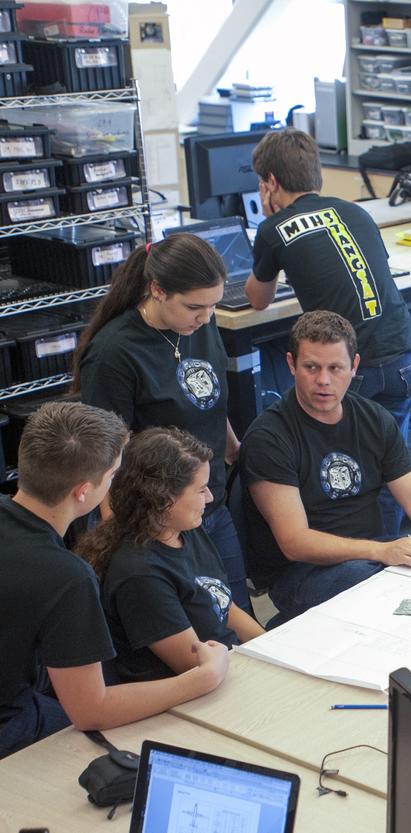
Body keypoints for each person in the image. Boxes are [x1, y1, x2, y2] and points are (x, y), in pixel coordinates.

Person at [0, 403, 228, 759]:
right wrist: (202, 678)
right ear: (83, 491)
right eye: (112, 476)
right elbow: (91, 710)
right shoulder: (66, 577)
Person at [240, 311, 411, 623]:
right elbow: (295, 542)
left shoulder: (374, 419)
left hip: (370, 556)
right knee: (388, 589)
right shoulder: (269, 437)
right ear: (291, 365)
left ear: (354, 367)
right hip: (301, 574)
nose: (323, 380)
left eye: (335, 368)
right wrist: (380, 552)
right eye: (311, 367)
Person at [73, 233, 251, 614]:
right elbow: (104, 455)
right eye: (194, 307)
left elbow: (209, 399)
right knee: (195, 632)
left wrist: (233, 448)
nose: (205, 317)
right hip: (156, 523)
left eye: (212, 305)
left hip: (210, 504)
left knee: (238, 617)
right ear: (156, 289)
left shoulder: (200, 323)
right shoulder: (113, 353)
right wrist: (119, 537)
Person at [246, 128, 411, 442]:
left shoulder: (274, 229)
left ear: (271, 182)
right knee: (392, 461)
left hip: (352, 367)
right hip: (407, 357)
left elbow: (258, 298)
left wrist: (269, 225)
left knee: (342, 465)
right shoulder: (356, 211)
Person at [79, 428, 265, 682]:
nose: (210, 498)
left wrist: (271, 647)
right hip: (193, 690)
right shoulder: (139, 575)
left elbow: (225, 606)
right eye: (201, 490)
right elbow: (193, 666)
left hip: (229, 667)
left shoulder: (186, 529)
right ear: (163, 498)